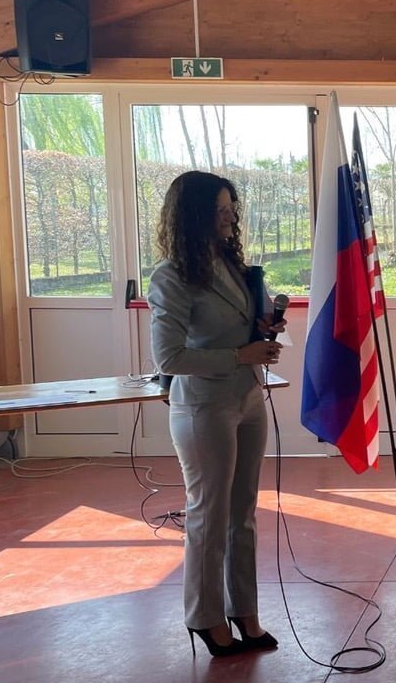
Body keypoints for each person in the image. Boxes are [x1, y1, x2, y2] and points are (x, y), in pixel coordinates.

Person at [148, 171, 285, 657]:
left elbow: (243, 322)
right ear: (193, 217)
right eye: (220, 211)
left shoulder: (230, 262)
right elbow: (169, 358)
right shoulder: (170, 276)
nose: (229, 218)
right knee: (209, 514)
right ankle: (205, 618)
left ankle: (243, 611)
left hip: (248, 398)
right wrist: (240, 355)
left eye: (231, 209)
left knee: (242, 513)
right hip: (204, 407)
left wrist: (265, 324)